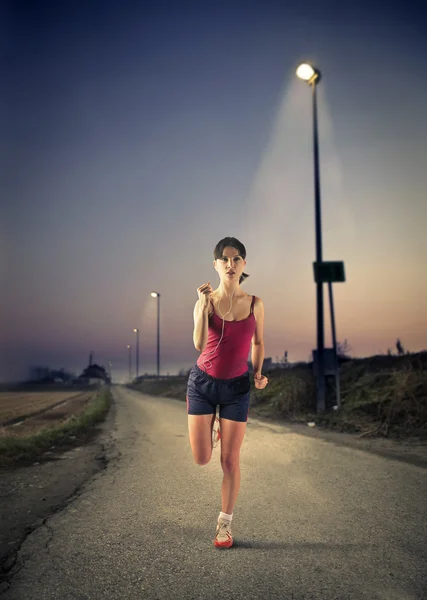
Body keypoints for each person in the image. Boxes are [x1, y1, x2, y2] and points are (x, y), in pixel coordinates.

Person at [186, 236, 268, 548]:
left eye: (236, 259)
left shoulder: (255, 304)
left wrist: (258, 371)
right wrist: (203, 306)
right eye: (225, 259)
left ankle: (225, 524)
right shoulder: (203, 301)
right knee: (202, 458)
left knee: (230, 461)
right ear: (216, 265)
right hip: (203, 385)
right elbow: (198, 344)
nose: (230, 264)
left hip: (236, 388)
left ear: (244, 264)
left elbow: (258, 343)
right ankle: (213, 426)